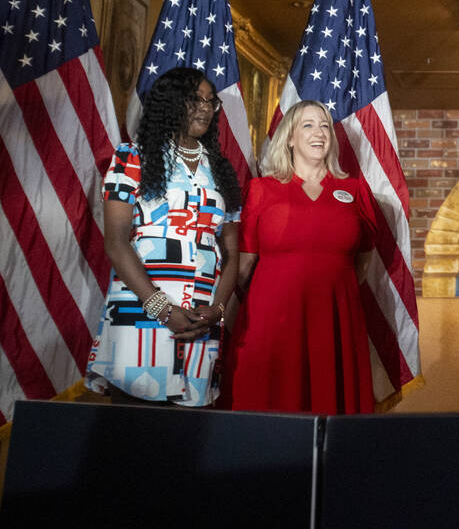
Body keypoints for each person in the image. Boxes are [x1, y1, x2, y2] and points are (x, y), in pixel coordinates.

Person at [86, 67, 241, 406]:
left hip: (201, 320)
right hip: (141, 313)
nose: (204, 107)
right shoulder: (132, 157)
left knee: (185, 445)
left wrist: (217, 309)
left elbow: (231, 252)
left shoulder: (222, 169)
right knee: (134, 438)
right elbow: (116, 242)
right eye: (193, 99)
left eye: (209, 101)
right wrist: (162, 309)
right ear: (170, 103)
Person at [220, 100, 376, 414]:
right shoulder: (261, 190)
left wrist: (329, 291)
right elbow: (244, 265)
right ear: (289, 138)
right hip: (270, 321)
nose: (319, 132)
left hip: (335, 322)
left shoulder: (356, 190)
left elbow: (363, 262)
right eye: (308, 125)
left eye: (324, 126)